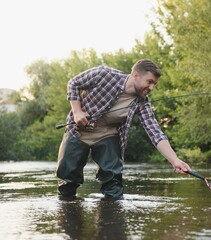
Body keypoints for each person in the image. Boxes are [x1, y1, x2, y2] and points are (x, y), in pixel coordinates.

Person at [56, 59, 191, 200]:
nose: (151, 88)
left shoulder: (142, 103)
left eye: (154, 84)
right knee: (67, 183)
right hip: (77, 131)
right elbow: (73, 83)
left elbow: (155, 132)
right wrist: (77, 111)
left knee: (113, 186)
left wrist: (175, 161)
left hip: (107, 135)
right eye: (149, 82)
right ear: (136, 75)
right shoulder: (103, 74)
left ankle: (112, 219)